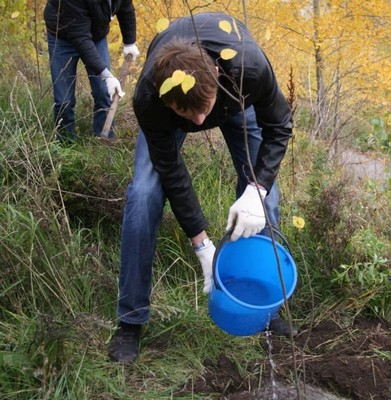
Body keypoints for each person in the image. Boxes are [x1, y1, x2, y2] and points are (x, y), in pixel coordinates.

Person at [108, 12, 296, 363]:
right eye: (186, 114)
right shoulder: (152, 99)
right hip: (180, 105)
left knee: (266, 201)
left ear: (218, 78)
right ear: (168, 103)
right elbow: (172, 173)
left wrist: (256, 189)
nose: (197, 123)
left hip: (233, 99)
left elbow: (280, 126)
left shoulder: (248, 68)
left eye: (202, 112)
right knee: (144, 196)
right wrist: (202, 246)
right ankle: (130, 321)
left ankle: (264, 308)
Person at [44, 0, 139, 142]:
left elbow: (126, 8)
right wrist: (106, 75)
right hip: (62, 37)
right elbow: (80, 37)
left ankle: (104, 140)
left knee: (104, 92)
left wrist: (130, 41)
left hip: (96, 35)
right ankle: (66, 145)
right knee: (63, 101)